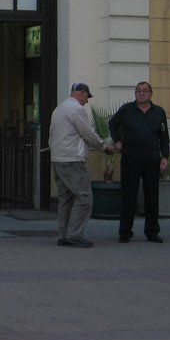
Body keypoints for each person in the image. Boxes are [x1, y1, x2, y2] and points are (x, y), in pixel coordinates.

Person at [49, 82, 115, 248]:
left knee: (66, 198)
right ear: (82, 93)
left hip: (58, 159)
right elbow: (87, 133)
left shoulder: (59, 109)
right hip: (73, 160)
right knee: (85, 198)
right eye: (87, 97)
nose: (87, 101)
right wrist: (104, 146)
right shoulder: (77, 109)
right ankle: (75, 235)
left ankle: (64, 235)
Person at [108, 81, 170, 244]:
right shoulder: (127, 109)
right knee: (128, 196)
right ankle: (125, 232)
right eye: (138, 91)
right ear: (135, 94)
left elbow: (164, 137)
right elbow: (112, 124)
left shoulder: (159, 112)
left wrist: (165, 157)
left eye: (144, 91)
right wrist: (118, 141)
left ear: (151, 93)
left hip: (151, 159)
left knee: (152, 197)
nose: (141, 93)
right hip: (130, 158)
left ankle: (152, 232)